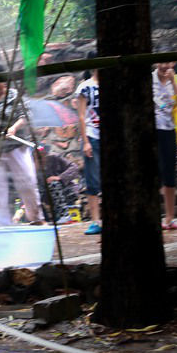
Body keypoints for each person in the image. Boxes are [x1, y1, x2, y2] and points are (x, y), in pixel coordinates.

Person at [0, 64, 45, 227]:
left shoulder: (14, 96)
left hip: (15, 146)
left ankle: (36, 217)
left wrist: (14, 128)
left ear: (4, 80)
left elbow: (25, 115)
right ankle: (2, 223)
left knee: (27, 181)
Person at [153, 62, 177, 230]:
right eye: (161, 62)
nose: (164, 66)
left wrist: (173, 82)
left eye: (168, 62)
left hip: (169, 130)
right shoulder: (148, 79)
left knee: (169, 175)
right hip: (151, 131)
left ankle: (169, 218)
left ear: (173, 63)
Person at [75, 64, 102, 235]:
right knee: (92, 179)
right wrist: (85, 141)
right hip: (92, 135)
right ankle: (95, 220)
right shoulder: (85, 87)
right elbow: (81, 116)